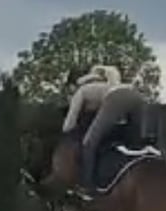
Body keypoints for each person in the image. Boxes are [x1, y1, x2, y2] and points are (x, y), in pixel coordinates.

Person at [62, 64, 146, 198]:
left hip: (116, 99)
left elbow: (70, 121)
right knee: (133, 143)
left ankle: (87, 187)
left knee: (88, 143)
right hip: (137, 97)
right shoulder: (108, 85)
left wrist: (66, 132)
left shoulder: (82, 91)